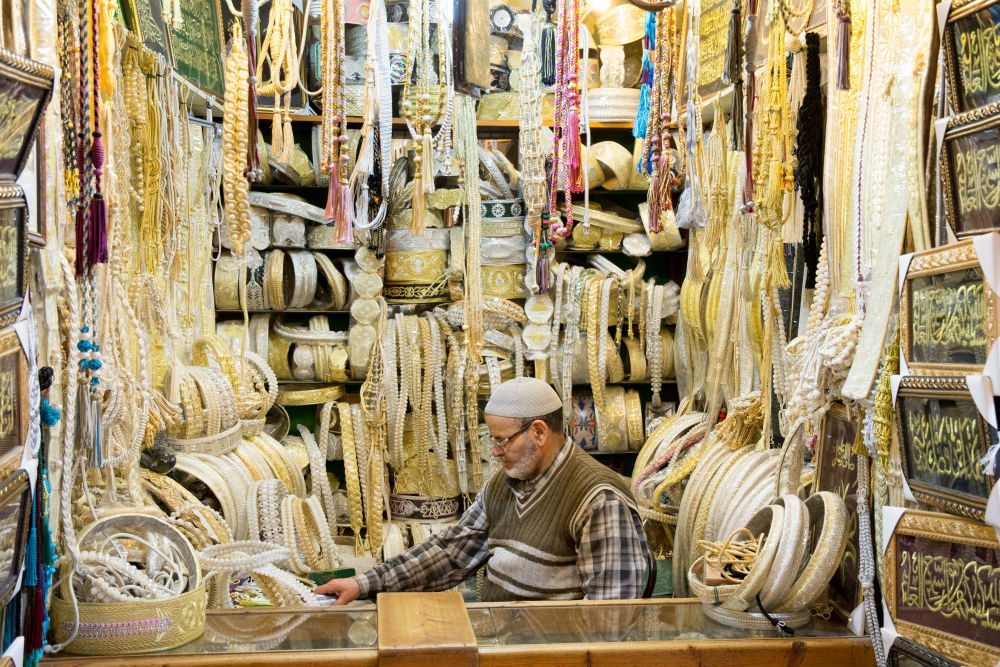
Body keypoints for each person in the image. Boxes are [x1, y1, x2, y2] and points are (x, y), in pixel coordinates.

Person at [315, 377, 652, 603]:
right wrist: (364, 584)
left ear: (538, 432)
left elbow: (612, 616)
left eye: (502, 439)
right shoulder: (504, 483)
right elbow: (450, 553)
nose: (495, 450)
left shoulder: (599, 500)